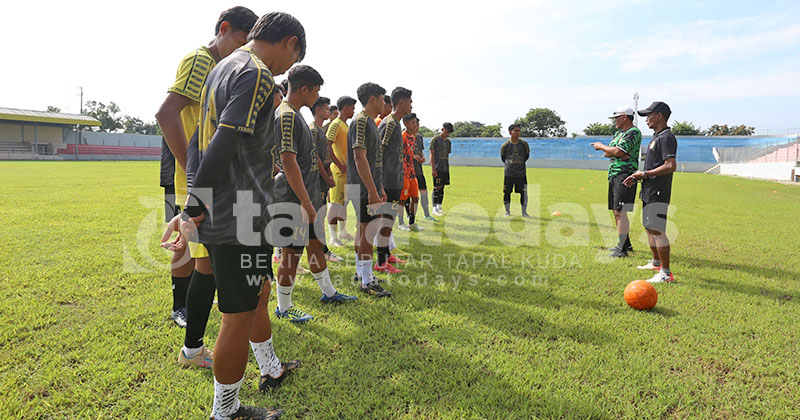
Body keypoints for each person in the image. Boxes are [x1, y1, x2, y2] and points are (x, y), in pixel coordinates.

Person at [165, 12, 307, 419]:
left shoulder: (221, 67)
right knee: (237, 316)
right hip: (239, 214)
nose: (287, 70)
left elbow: (196, 142)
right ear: (290, 43)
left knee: (257, 293)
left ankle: (271, 368)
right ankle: (225, 412)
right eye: (292, 61)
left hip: (232, 211)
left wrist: (195, 200)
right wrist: (195, 207)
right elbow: (222, 141)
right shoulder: (256, 72)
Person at [155, 7, 257, 372]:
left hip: (204, 180)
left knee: (203, 259)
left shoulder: (222, 68)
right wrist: (194, 175)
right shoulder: (201, 61)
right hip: (195, 181)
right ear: (224, 29)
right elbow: (167, 112)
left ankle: (191, 329)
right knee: (201, 260)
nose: (247, 51)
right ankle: (189, 333)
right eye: (243, 41)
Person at [272, 65, 358, 324]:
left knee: (314, 246)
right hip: (292, 198)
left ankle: (328, 292)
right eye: (316, 91)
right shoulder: (286, 115)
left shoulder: (295, 115)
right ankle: (284, 307)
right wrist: (306, 202)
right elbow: (288, 161)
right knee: (291, 253)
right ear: (304, 89)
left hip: (306, 195)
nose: (318, 96)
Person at [623, 101, 677, 283]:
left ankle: (666, 273)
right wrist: (639, 177)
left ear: (659, 116)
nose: (646, 119)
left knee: (657, 229)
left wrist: (645, 174)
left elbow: (670, 165)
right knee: (649, 227)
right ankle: (655, 263)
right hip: (649, 189)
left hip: (658, 192)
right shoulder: (656, 137)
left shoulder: (666, 137)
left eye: (649, 115)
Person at [347, 83, 392, 297]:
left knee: (362, 229)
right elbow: (359, 156)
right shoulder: (362, 121)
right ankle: (367, 281)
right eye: (383, 98)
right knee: (368, 231)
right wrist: (372, 191)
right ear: (372, 99)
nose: (385, 103)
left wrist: (379, 186)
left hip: (367, 185)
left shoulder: (370, 122)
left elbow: (374, 159)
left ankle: (361, 272)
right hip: (363, 187)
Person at [591, 106, 642, 257]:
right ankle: (625, 243)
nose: (614, 122)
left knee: (620, 211)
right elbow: (611, 153)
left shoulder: (633, 132)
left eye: (616, 118)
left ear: (624, 117)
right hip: (614, 173)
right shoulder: (619, 133)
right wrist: (613, 152)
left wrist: (601, 147)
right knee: (616, 211)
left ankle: (622, 249)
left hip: (625, 174)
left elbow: (616, 151)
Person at [374, 87, 413, 274]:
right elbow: (378, 151)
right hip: (388, 181)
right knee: (385, 220)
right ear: (402, 102)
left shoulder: (396, 123)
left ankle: (387, 254)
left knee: (389, 220)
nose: (412, 105)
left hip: (396, 179)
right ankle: (380, 262)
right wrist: (379, 182)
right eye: (410, 101)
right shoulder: (388, 123)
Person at [310, 97, 344, 263]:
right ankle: (321, 251)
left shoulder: (320, 129)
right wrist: (327, 177)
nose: (329, 112)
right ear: (317, 110)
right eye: (326, 109)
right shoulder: (314, 130)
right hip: (317, 180)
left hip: (323, 179)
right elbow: (315, 157)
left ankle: (322, 250)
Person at [326, 96, 357, 246]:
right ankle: (333, 237)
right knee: (335, 204)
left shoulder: (346, 125)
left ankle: (343, 231)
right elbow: (328, 145)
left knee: (343, 203)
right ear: (345, 108)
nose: (353, 111)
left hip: (347, 172)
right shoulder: (336, 124)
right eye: (352, 107)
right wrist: (338, 164)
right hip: (339, 171)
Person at [399, 113, 423, 231]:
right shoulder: (402, 136)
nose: (415, 125)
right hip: (403, 172)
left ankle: (412, 222)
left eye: (416, 123)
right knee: (402, 199)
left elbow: (409, 152)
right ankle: (400, 222)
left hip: (412, 172)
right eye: (413, 122)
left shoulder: (413, 137)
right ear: (406, 123)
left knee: (415, 197)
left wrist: (415, 157)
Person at [500, 123, 530, 217]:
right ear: (510, 132)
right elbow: (503, 158)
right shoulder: (505, 145)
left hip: (521, 173)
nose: (518, 132)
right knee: (507, 192)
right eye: (516, 131)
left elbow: (526, 156)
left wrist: (519, 164)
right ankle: (507, 212)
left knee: (523, 193)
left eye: (519, 131)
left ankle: (524, 212)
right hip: (509, 173)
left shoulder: (524, 144)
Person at [430, 122, 453, 216]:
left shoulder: (448, 142)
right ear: (442, 129)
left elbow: (448, 153)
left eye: (449, 133)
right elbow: (431, 154)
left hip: (445, 167)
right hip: (437, 167)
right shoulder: (435, 140)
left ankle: (439, 206)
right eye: (446, 132)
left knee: (442, 186)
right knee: (436, 187)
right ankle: (434, 208)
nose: (447, 134)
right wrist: (433, 168)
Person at [413, 123, 435, 221]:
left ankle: (427, 215)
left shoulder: (419, 138)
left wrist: (422, 157)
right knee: (408, 196)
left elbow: (420, 151)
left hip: (419, 170)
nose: (416, 127)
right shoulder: (403, 137)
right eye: (414, 124)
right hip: (408, 171)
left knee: (424, 192)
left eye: (417, 125)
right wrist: (413, 156)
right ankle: (407, 219)